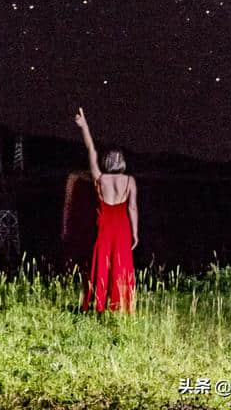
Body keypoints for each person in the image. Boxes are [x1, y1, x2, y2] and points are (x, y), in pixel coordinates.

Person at [75, 106, 138, 313]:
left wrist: (85, 127)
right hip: (121, 228)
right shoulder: (129, 181)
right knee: (121, 267)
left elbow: (91, 150)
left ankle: (99, 305)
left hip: (104, 228)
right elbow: (133, 208)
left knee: (102, 264)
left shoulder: (99, 179)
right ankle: (121, 307)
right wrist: (135, 233)